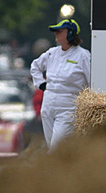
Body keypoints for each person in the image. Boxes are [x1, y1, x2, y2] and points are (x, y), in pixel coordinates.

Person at [30, 17, 90, 149]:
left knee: (56, 146)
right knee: (51, 144)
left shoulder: (83, 56)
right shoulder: (52, 53)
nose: (56, 33)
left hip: (68, 105)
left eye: (60, 31)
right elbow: (35, 67)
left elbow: (91, 81)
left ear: (70, 33)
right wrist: (41, 84)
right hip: (48, 103)